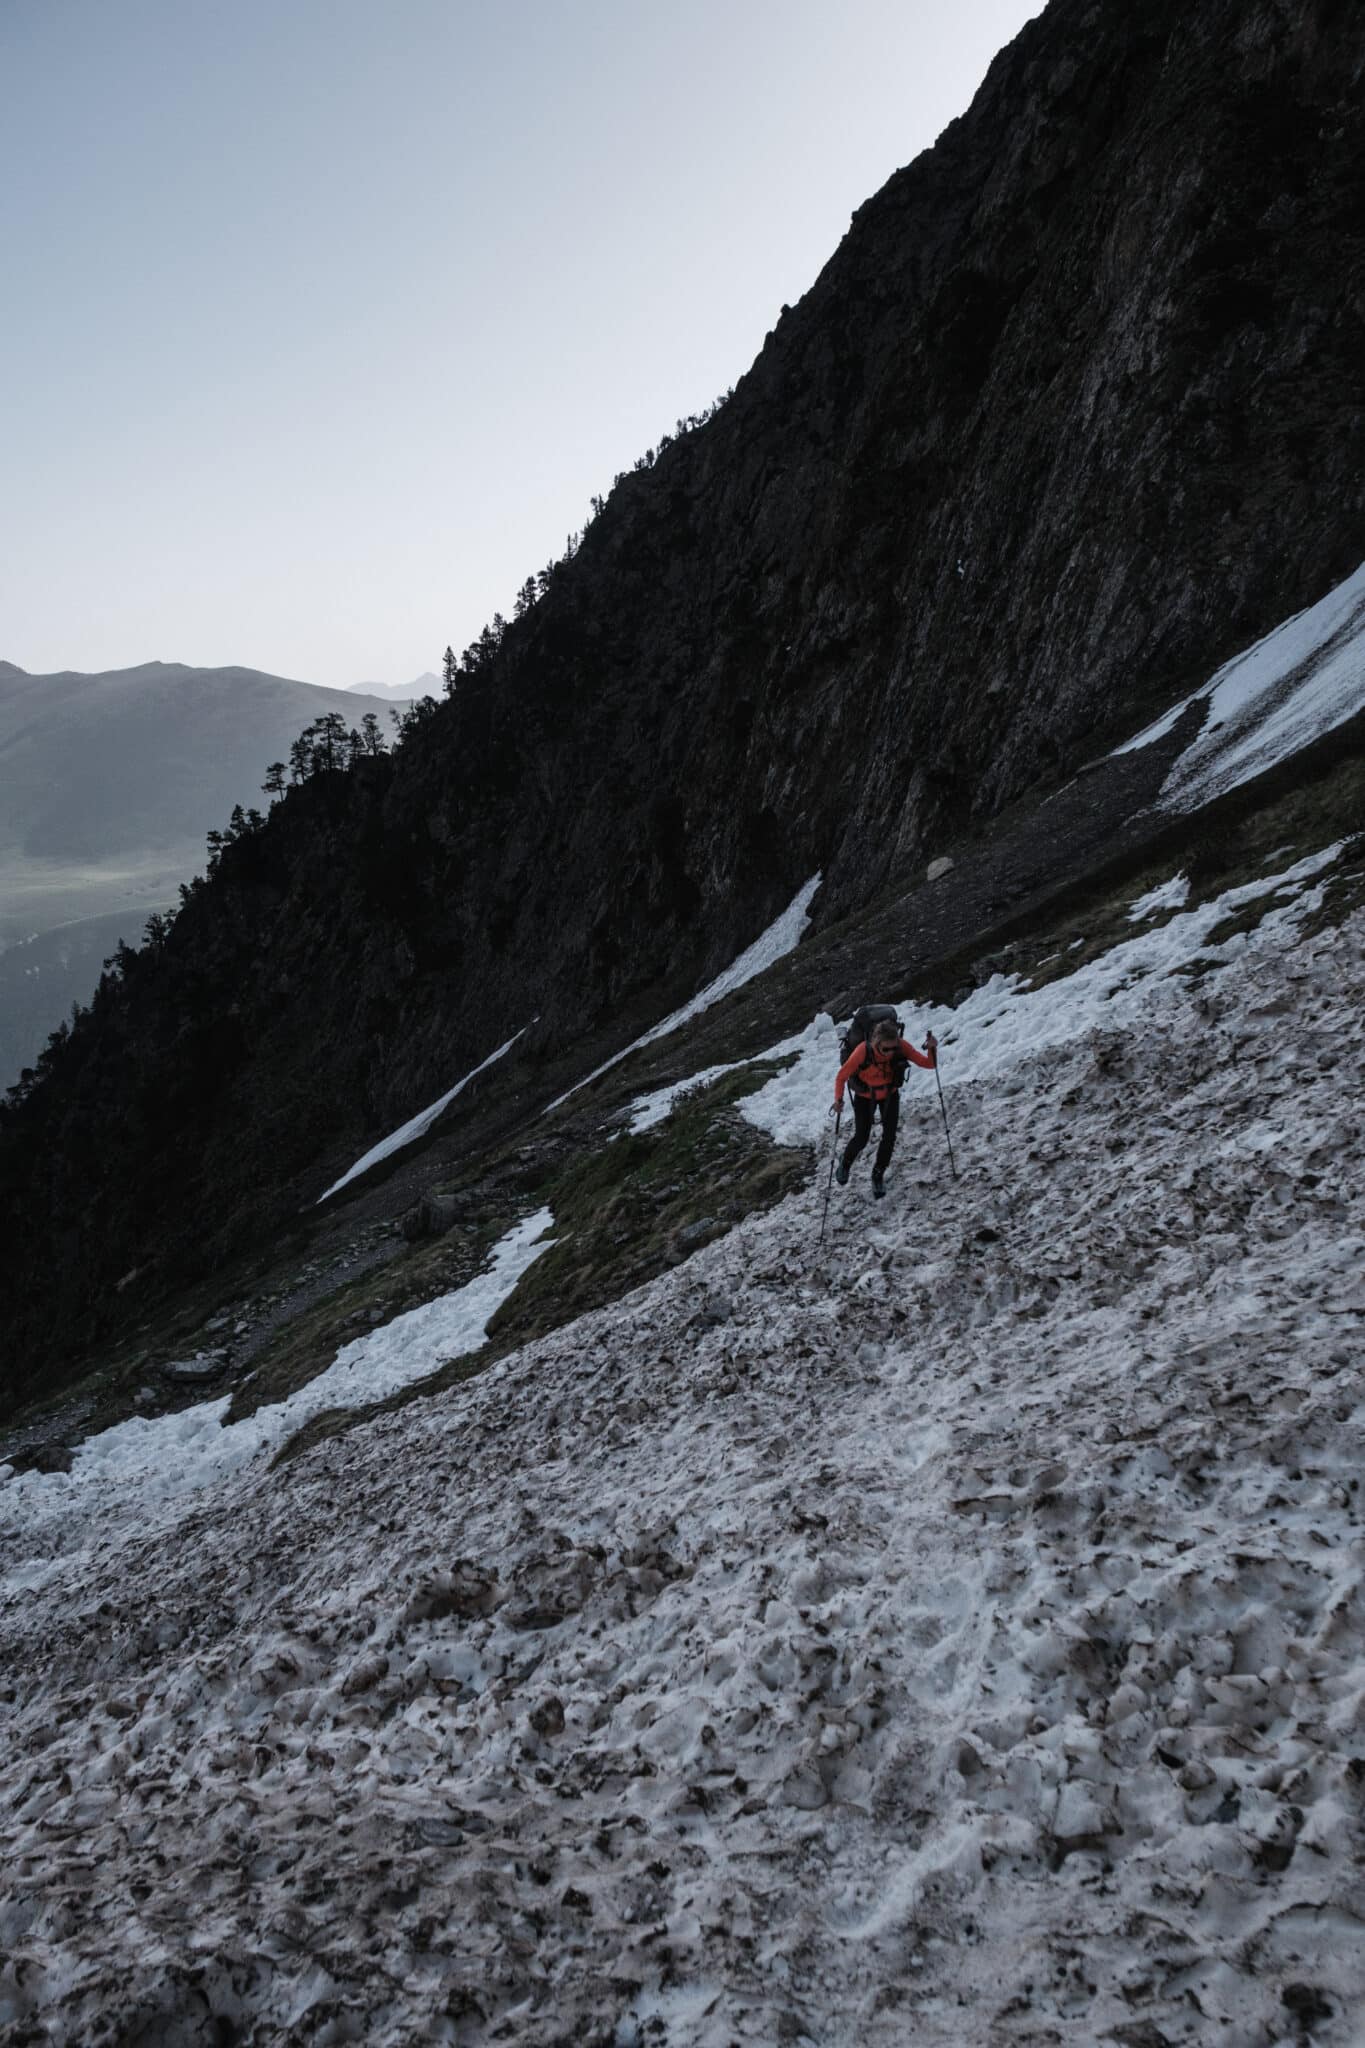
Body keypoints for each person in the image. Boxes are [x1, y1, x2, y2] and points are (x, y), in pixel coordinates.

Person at [832, 1017, 937, 1198]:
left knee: (889, 1137)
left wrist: (932, 1048)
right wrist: (838, 1100)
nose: (890, 1053)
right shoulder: (862, 1051)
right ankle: (845, 1162)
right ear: (876, 1043)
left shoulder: (901, 1046)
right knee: (862, 1137)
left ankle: (878, 1174)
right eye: (885, 1049)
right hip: (865, 1097)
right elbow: (841, 1076)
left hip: (890, 1095)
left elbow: (929, 1064)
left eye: (893, 1048)